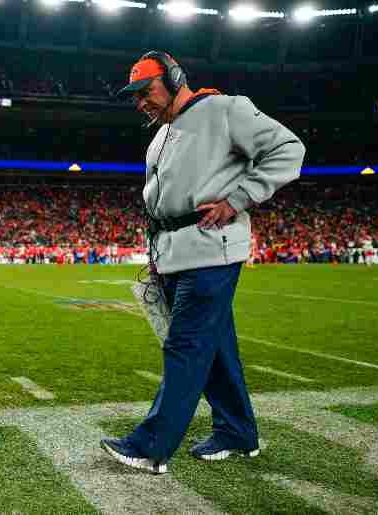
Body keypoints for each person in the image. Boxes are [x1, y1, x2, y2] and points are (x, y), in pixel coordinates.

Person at [100, 51, 305, 474]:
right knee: (215, 349)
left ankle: (151, 446)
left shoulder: (226, 109)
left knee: (186, 345)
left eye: (147, 91)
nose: (142, 103)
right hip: (173, 253)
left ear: (174, 79)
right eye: (135, 97)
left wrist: (238, 199)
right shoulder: (160, 135)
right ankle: (238, 432)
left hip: (212, 249)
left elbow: (289, 148)